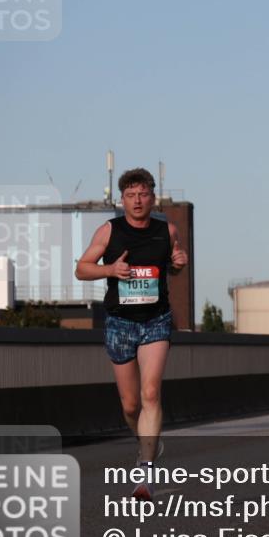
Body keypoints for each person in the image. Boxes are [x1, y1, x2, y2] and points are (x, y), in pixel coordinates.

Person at [75, 168, 187, 501]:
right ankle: (144, 444)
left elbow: (174, 265)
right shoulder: (109, 231)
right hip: (120, 322)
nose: (137, 201)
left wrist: (179, 262)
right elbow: (81, 268)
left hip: (156, 319)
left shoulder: (167, 229)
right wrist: (110, 269)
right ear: (122, 199)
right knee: (130, 404)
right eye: (131, 195)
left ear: (153, 197)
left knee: (151, 393)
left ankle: (145, 473)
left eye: (143, 194)